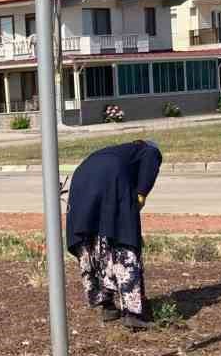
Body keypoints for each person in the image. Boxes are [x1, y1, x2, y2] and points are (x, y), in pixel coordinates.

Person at [65, 140, 162, 331]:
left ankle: (106, 306)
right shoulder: (148, 149)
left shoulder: (117, 151)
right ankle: (132, 313)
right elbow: (151, 160)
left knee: (91, 241)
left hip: (81, 178)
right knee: (123, 241)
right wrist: (141, 195)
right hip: (112, 176)